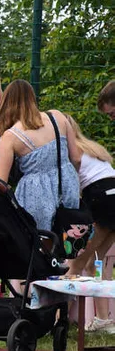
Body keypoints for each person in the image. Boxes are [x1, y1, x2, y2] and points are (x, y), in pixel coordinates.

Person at [0, 80, 80, 232]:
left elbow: (1, 182)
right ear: (33, 98)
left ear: (7, 103)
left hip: (35, 193)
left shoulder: (10, 136)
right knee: (68, 236)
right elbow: (77, 158)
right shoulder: (57, 117)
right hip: (66, 183)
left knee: (40, 241)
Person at [66, 118, 115, 289]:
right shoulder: (92, 148)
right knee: (95, 263)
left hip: (100, 198)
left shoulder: (72, 152)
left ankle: (59, 315)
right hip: (112, 193)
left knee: (75, 265)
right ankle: (103, 316)